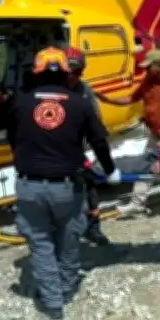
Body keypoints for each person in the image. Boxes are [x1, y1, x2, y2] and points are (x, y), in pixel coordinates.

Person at [7, 46, 121, 320]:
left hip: (29, 185)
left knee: (41, 243)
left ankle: (53, 301)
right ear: (66, 73)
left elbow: (12, 138)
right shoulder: (79, 103)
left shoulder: (20, 102)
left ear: (36, 72)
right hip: (68, 186)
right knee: (69, 239)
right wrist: (110, 170)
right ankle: (68, 288)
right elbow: (99, 140)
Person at [96, 48, 160, 220]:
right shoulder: (148, 81)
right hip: (155, 134)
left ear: (159, 66)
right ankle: (137, 204)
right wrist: (107, 100)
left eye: (148, 67)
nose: (145, 70)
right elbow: (131, 98)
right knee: (145, 166)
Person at [64, 46, 110, 247]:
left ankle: (93, 228)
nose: (73, 77)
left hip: (77, 151)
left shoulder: (85, 90)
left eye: (77, 72)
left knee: (90, 189)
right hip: (53, 154)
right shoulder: (48, 92)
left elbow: (96, 119)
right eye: (69, 72)